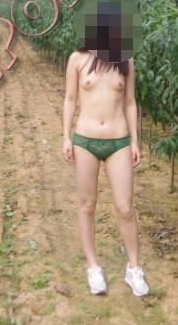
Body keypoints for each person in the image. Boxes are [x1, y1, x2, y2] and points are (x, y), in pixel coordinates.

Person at [62, 48, 150, 297]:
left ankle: (134, 268)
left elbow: (130, 103)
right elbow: (70, 99)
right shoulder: (77, 59)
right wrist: (66, 136)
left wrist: (134, 141)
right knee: (87, 206)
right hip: (85, 140)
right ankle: (93, 267)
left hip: (118, 141)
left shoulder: (125, 59)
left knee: (125, 208)